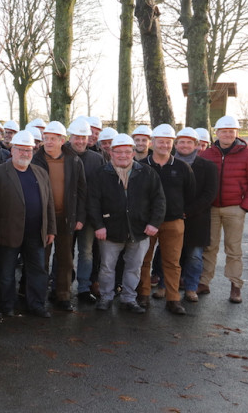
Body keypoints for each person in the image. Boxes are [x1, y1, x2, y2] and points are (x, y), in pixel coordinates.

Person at [87, 134, 166, 314]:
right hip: (110, 231)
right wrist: (98, 225)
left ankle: (128, 298)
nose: (122, 155)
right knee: (107, 267)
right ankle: (106, 297)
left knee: (134, 267)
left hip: (139, 230)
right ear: (111, 153)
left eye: (126, 152)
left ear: (132, 152)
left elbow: (159, 200)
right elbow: (93, 202)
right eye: (118, 152)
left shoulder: (146, 173)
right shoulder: (101, 174)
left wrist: (154, 223)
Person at [0, 130, 55, 317]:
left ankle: (37, 305)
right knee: (6, 273)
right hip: (8, 233)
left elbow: (49, 203)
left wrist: (51, 229)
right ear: (12, 150)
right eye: (21, 150)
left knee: (38, 271)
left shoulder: (40, 172)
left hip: (36, 233)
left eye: (29, 150)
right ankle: (7, 306)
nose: (25, 154)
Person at [199, 115, 248, 303]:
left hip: (235, 208)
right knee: (209, 247)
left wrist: (245, 206)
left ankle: (235, 285)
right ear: (216, 133)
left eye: (231, 131)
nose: (227, 134)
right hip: (211, 208)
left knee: (233, 249)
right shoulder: (207, 154)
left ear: (236, 133)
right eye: (223, 131)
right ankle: (204, 281)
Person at [137, 125, 195, 315]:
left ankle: (173, 299)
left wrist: (182, 212)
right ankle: (143, 295)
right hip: (146, 223)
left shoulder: (182, 167)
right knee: (144, 260)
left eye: (168, 142)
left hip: (173, 222)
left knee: (172, 262)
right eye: (160, 141)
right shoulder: (141, 166)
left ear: (173, 144)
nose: (164, 145)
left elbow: (190, 193)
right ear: (152, 142)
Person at [32, 121, 87, 312]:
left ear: (62, 141)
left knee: (65, 258)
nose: (48, 142)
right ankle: (37, 297)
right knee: (41, 259)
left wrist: (80, 217)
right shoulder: (35, 159)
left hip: (66, 217)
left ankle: (63, 295)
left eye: (53, 139)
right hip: (43, 219)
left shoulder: (74, 161)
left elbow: (81, 191)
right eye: (46, 138)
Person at [173, 128, 219, 303]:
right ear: (176, 144)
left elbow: (210, 194)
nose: (185, 145)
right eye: (182, 142)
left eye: (189, 142)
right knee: (170, 255)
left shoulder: (207, 167)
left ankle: (191, 288)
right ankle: (168, 286)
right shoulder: (168, 164)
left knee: (194, 256)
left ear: (197, 145)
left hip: (197, 218)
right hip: (171, 217)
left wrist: (188, 211)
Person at [66, 118, 105, 305]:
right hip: (64, 215)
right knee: (64, 252)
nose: (80, 141)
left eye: (83, 137)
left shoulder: (97, 160)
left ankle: (83, 288)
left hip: (89, 216)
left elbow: (99, 191)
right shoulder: (61, 156)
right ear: (70, 137)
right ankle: (62, 287)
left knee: (86, 252)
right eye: (76, 137)